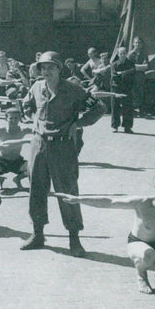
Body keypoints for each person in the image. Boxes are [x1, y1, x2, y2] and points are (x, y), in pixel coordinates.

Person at [20, 51, 106, 255]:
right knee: (36, 189)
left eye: (51, 67)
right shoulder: (36, 87)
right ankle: (37, 233)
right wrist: (33, 120)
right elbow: (26, 104)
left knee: (67, 191)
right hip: (38, 145)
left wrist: (78, 124)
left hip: (63, 147)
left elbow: (99, 108)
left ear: (59, 69)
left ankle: (74, 239)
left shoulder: (73, 90)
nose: (46, 71)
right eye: (43, 68)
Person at [0, 107, 33, 191]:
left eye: (16, 118)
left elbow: (38, 131)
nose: (14, 121)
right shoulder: (1, 130)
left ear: (19, 118)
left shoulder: (23, 130)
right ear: (6, 118)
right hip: (2, 160)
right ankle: (0, 180)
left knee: (33, 168)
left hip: (17, 161)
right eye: (11, 118)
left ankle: (17, 179)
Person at [110, 46, 136, 134]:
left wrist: (121, 74)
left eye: (124, 53)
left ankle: (127, 127)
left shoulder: (131, 64)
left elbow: (132, 75)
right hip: (116, 88)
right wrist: (123, 75)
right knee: (115, 107)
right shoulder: (114, 64)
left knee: (128, 107)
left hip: (127, 88)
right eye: (120, 53)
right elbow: (114, 77)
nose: (122, 55)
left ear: (126, 54)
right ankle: (115, 126)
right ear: (118, 54)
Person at [128, 37, 150, 110]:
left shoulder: (143, 54)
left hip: (140, 78)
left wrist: (135, 67)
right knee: (132, 93)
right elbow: (128, 67)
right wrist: (138, 67)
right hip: (132, 77)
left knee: (140, 93)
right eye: (136, 42)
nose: (137, 44)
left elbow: (146, 66)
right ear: (133, 44)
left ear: (142, 45)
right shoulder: (130, 55)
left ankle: (140, 109)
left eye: (139, 43)